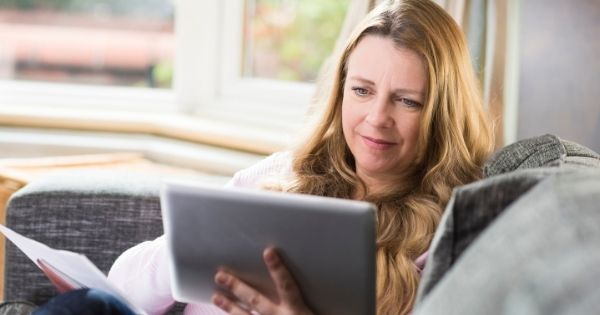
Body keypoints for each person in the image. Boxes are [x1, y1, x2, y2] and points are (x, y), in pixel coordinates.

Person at [104, 0, 494, 314]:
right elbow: (118, 289)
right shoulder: (282, 173)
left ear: (441, 113)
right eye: (361, 91)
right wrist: (188, 251)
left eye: (407, 101)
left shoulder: (449, 237)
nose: (377, 119)